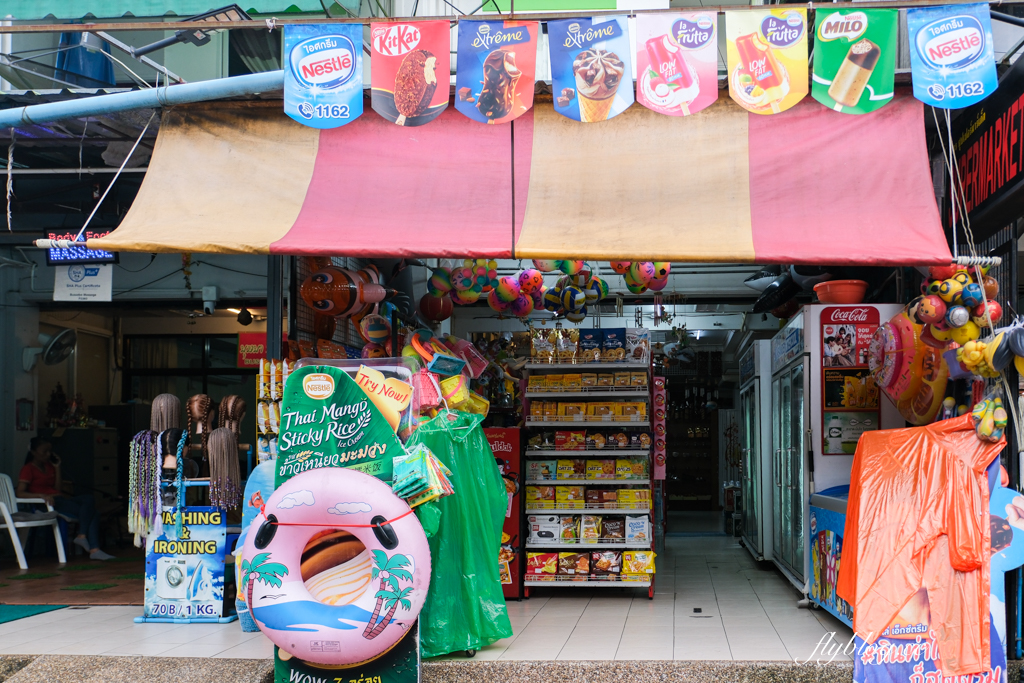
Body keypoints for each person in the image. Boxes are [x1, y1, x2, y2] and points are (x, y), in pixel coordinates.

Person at [16, 436, 114, 561]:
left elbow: (58, 489)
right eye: (44, 451)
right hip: (48, 504)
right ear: (34, 452)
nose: (48, 454)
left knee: (88, 498)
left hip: (60, 499)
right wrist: (41, 495)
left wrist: (57, 467)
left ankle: (83, 536)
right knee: (94, 513)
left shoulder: (49, 466)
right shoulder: (28, 469)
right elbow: (19, 493)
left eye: (50, 451)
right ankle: (92, 547)